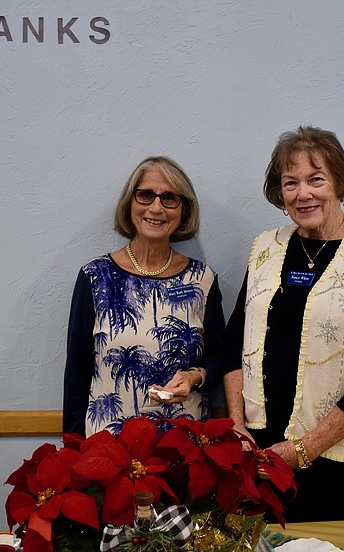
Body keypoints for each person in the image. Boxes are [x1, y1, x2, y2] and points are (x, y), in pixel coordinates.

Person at [222, 126, 344, 522]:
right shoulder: (265, 249)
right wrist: (237, 426)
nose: (303, 193)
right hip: (255, 450)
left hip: (332, 460)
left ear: (339, 182)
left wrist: (303, 449)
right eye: (291, 183)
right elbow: (233, 343)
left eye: (315, 179)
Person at [63, 156, 225, 436]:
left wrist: (194, 376)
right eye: (146, 195)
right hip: (108, 449)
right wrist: (74, 451)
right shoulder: (95, 277)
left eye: (170, 198)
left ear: (183, 209)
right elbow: (77, 372)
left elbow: (220, 357)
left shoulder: (203, 279)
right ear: (130, 204)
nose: (156, 207)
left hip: (183, 445)